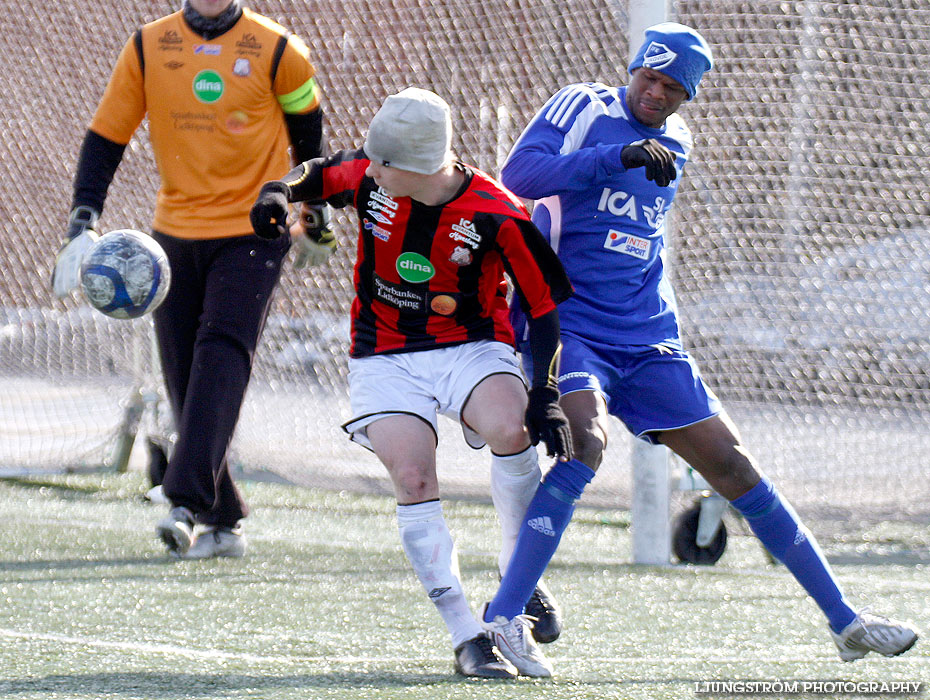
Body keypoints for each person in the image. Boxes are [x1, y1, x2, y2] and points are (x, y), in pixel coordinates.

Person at [479, 22, 920, 674]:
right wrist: (614, 157)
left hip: (649, 336)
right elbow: (520, 173)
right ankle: (505, 618)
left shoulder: (678, 143)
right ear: (633, 70)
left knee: (735, 466)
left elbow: (641, 245)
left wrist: (668, 336)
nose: (654, 94)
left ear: (689, 96)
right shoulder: (584, 105)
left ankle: (846, 621)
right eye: (648, 78)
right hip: (569, 324)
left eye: (671, 87)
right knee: (585, 443)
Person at [250, 87, 573, 678]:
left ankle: (517, 571)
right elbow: (314, 175)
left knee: (509, 425)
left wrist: (546, 396)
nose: (367, 170)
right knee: (414, 474)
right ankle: (466, 636)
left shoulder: (497, 214)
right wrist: (277, 192)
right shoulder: (373, 180)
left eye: (381, 162)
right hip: (385, 355)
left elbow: (546, 308)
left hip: (471, 347)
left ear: (418, 166)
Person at [51, 0, 335, 560]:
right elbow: (107, 136)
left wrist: (316, 212)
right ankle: (224, 518)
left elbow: (310, 143)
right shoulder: (148, 46)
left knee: (222, 349)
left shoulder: (281, 50)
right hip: (172, 235)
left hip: (258, 227)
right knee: (183, 371)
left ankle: (181, 500)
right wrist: (83, 216)